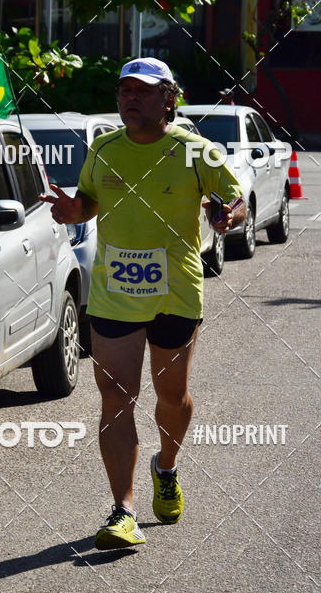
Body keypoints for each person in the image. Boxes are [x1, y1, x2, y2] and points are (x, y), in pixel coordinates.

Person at [41, 57, 246, 550]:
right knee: (117, 398)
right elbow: (88, 199)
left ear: (168, 99)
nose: (130, 98)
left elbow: (235, 201)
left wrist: (228, 217)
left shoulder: (200, 152)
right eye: (124, 91)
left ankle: (167, 467)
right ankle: (122, 511)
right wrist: (76, 209)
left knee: (171, 398)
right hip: (114, 292)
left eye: (143, 91)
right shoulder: (104, 148)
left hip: (176, 292)